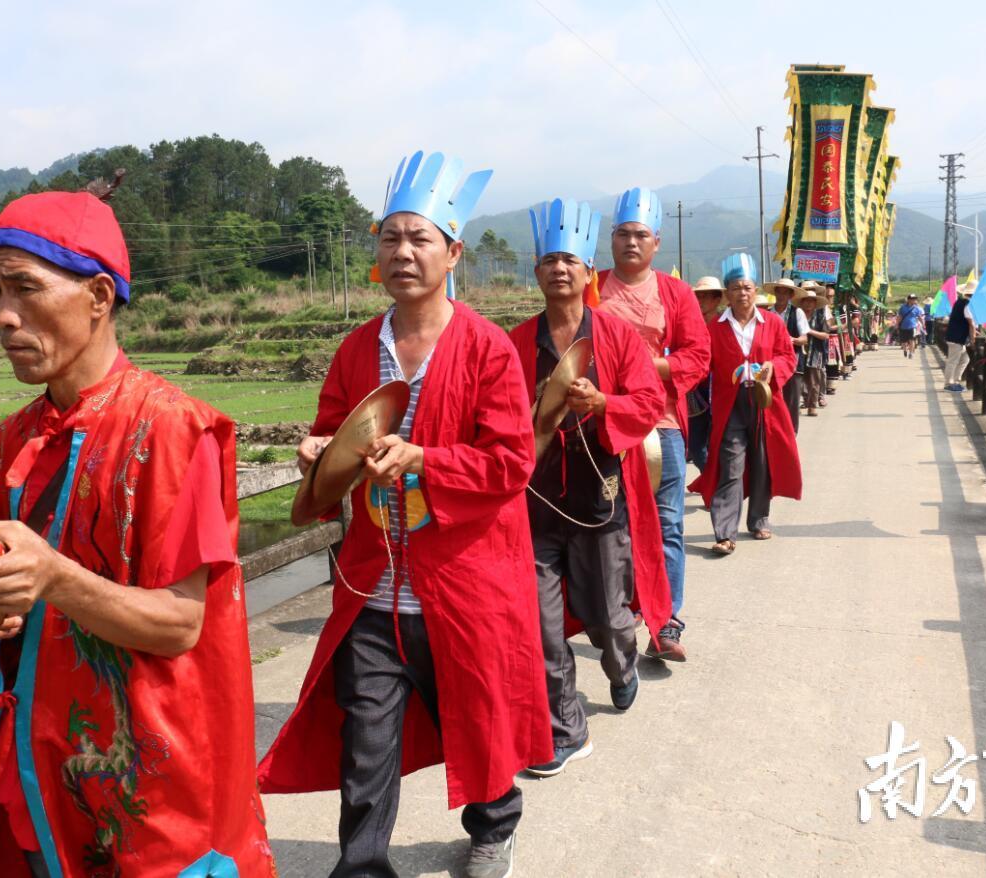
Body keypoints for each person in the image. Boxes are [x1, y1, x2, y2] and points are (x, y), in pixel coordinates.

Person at [0, 189, 275, 877]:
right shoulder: (10, 444)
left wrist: (52, 578)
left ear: (98, 296)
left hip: (146, 780)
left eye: (26, 288)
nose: (3, 316)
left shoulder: (174, 431)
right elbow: (19, 598)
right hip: (31, 758)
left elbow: (181, 623)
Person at [257, 151, 550, 878]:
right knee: (367, 739)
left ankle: (495, 824)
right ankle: (361, 866)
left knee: (473, 718)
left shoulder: (486, 348)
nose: (403, 252)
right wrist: (319, 448)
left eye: (419, 238)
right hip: (372, 582)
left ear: (453, 253)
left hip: (464, 580)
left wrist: (424, 460)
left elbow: (511, 462)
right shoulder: (358, 349)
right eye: (390, 238)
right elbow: (334, 428)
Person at [507, 198, 670, 776]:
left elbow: (651, 401)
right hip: (534, 503)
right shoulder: (515, 342)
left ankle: (621, 665)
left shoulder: (618, 338)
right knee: (542, 625)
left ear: (586, 270)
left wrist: (605, 403)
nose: (559, 269)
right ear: (537, 273)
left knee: (606, 613)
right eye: (548, 260)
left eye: (569, 260)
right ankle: (563, 728)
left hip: (601, 502)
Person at [594, 187, 711, 661]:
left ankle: (667, 622)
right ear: (612, 238)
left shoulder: (675, 293)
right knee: (608, 524)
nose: (631, 242)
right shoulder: (592, 287)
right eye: (623, 233)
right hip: (601, 425)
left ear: (656, 242)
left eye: (641, 234)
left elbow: (697, 356)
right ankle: (620, 613)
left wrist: (641, 367)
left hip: (659, 427)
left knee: (667, 524)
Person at [690, 254, 802, 554]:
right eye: (736, 287)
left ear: (755, 291)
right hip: (730, 406)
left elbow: (788, 356)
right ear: (727, 293)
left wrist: (773, 367)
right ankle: (725, 532)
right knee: (731, 466)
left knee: (763, 463)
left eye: (747, 287)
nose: (742, 292)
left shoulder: (774, 323)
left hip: (764, 402)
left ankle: (759, 519)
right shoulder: (715, 329)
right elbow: (701, 364)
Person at [687, 277, 724, 471]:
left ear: (717, 300)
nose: (700, 301)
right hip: (696, 393)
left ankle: (717, 488)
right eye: (697, 296)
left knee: (718, 443)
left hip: (721, 390)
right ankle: (712, 481)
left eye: (705, 297)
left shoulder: (726, 325)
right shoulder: (689, 324)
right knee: (696, 444)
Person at [765, 277, 807, 433]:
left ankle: (791, 433)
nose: (781, 295)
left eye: (785, 293)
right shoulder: (767, 313)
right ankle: (774, 432)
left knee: (791, 401)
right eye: (779, 291)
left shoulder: (797, 313)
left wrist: (792, 340)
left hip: (793, 363)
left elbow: (805, 338)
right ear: (775, 293)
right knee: (771, 399)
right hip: (770, 364)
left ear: (791, 295)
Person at [795, 285, 830, 417]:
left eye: (811, 301)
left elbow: (825, 335)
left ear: (815, 303)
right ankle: (801, 402)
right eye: (806, 300)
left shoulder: (820, 316)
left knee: (814, 381)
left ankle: (812, 405)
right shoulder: (796, 315)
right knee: (797, 380)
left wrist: (809, 331)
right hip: (798, 351)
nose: (808, 303)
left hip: (815, 352)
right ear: (801, 302)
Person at [943, 282, 976, 392]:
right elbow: (971, 324)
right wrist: (973, 339)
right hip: (956, 338)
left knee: (965, 359)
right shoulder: (967, 305)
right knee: (953, 361)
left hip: (955, 337)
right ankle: (948, 384)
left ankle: (956, 381)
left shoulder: (959, 302)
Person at [897, 295, 923, 359]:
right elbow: (900, 317)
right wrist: (897, 324)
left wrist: (923, 324)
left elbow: (919, 317)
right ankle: (905, 350)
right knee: (904, 341)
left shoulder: (917, 308)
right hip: (903, 326)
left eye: (915, 299)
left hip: (912, 326)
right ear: (908, 300)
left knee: (912, 340)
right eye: (912, 299)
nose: (914, 300)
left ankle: (911, 353)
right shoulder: (903, 307)